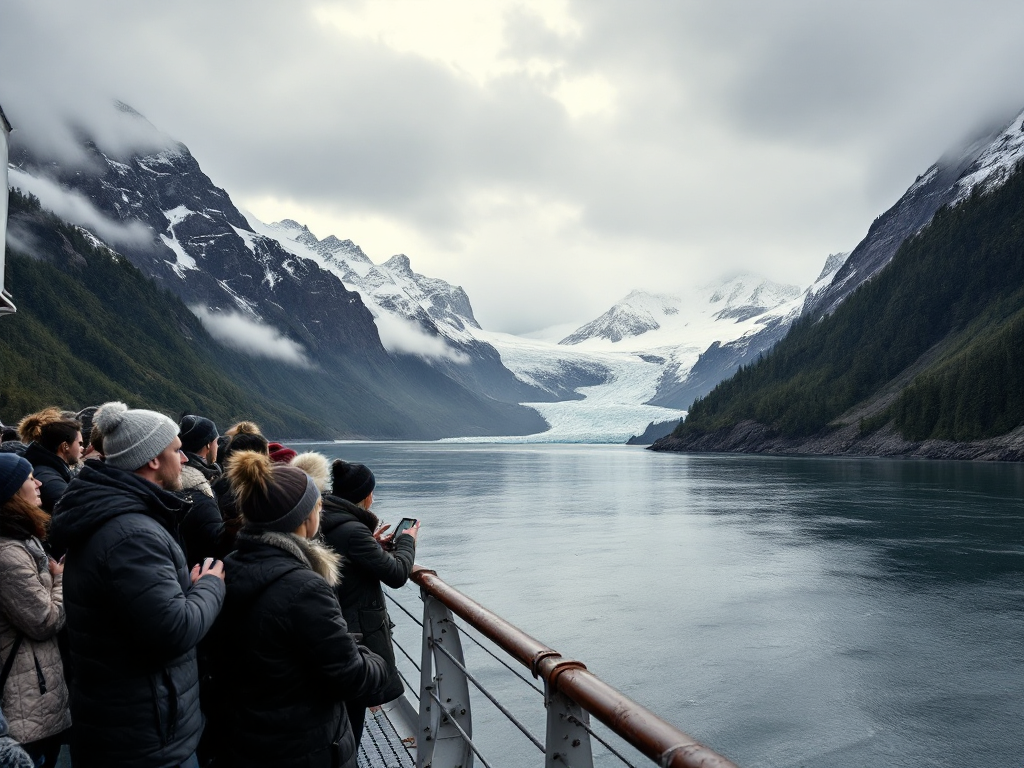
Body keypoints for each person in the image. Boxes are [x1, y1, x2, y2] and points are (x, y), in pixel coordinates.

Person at [49, 402, 226, 768]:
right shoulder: (131, 535)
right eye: (177, 451)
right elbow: (174, 628)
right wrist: (209, 585)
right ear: (152, 460)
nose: (186, 460)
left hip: (127, 726)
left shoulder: (115, 515)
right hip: (146, 740)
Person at [210, 451, 389, 768]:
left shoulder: (232, 566)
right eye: (317, 503)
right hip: (304, 745)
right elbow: (352, 675)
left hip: (248, 738)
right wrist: (374, 658)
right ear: (304, 518)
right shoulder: (305, 587)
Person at [320, 460, 418, 745]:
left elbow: (345, 557)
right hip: (355, 635)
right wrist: (407, 542)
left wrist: (373, 546)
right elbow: (398, 574)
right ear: (365, 495)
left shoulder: (329, 517)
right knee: (350, 723)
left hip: (337, 627)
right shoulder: (352, 530)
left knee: (341, 723)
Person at [0, 454, 72, 766]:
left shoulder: (18, 538)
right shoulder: (7, 553)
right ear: (12, 492)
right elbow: (44, 620)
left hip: (32, 694)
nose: (39, 482)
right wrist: (60, 580)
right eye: (30, 478)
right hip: (25, 708)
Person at [177, 415, 227, 562]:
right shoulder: (200, 489)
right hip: (199, 570)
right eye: (216, 442)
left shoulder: (177, 476)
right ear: (208, 445)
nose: (217, 446)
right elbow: (216, 541)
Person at [18, 409, 82, 513]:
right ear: (65, 446)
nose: (81, 449)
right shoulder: (51, 481)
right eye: (79, 443)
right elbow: (75, 513)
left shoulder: (46, 469)